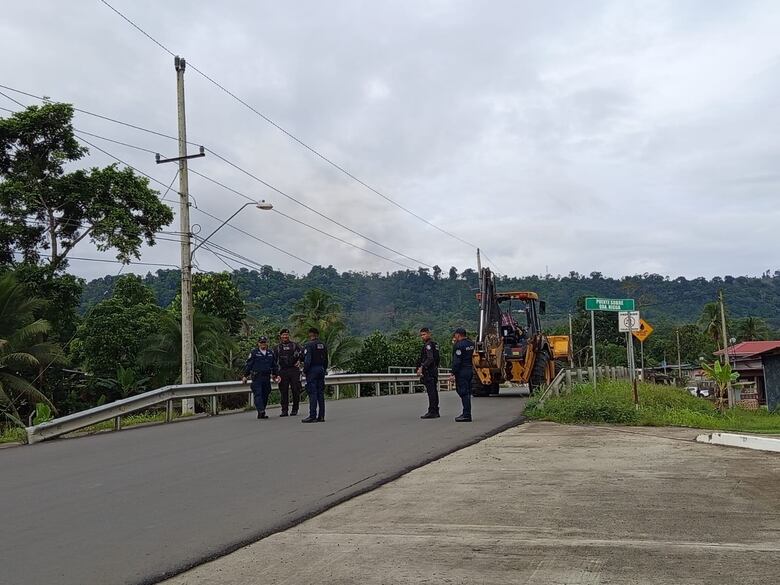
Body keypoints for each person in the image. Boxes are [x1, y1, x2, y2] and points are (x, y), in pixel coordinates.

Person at [242, 336, 278, 419]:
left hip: (266, 377)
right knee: (258, 394)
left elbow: (274, 365)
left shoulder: (270, 353)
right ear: (258, 343)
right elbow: (249, 365)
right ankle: (261, 410)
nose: (263, 344)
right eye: (261, 342)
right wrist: (245, 376)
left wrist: (275, 374)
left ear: (267, 343)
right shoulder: (254, 353)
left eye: (264, 342)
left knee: (266, 393)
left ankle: (261, 411)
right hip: (257, 377)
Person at [301, 327, 328, 423]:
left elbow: (307, 360)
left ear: (310, 334)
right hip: (321, 369)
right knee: (320, 393)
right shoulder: (323, 345)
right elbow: (326, 360)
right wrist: (324, 369)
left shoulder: (309, 345)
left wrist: (305, 370)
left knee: (313, 393)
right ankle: (321, 416)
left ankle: (312, 416)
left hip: (312, 370)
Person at [275, 328, 303, 416]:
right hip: (282, 371)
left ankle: (295, 409)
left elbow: (304, 353)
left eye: (286, 335)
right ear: (280, 336)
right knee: (283, 391)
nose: (285, 336)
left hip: (294, 370)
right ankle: (284, 410)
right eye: (283, 335)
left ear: (288, 335)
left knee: (296, 390)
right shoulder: (277, 348)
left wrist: (300, 361)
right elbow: (273, 361)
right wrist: (275, 373)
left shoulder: (295, 345)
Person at [449, 327, 475, 422]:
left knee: (463, 392)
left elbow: (457, 361)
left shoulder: (459, 345)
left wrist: (452, 373)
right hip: (470, 369)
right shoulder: (471, 344)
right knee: (467, 392)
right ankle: (466, 412)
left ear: (458, 335)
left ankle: (466, 414)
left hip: (462, 371)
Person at [416, 327, 441, 418]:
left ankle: (432, 411)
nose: (423, 337)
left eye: (424, 334)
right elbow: (437, 358)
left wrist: (422, 367)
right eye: (421, 335)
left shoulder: (428, 345)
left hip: (429, 371)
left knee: (431, 392)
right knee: (434, 391)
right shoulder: (435, 344)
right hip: (434, 370)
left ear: (429, 334)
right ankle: (435, 410)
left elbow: (430, 358)